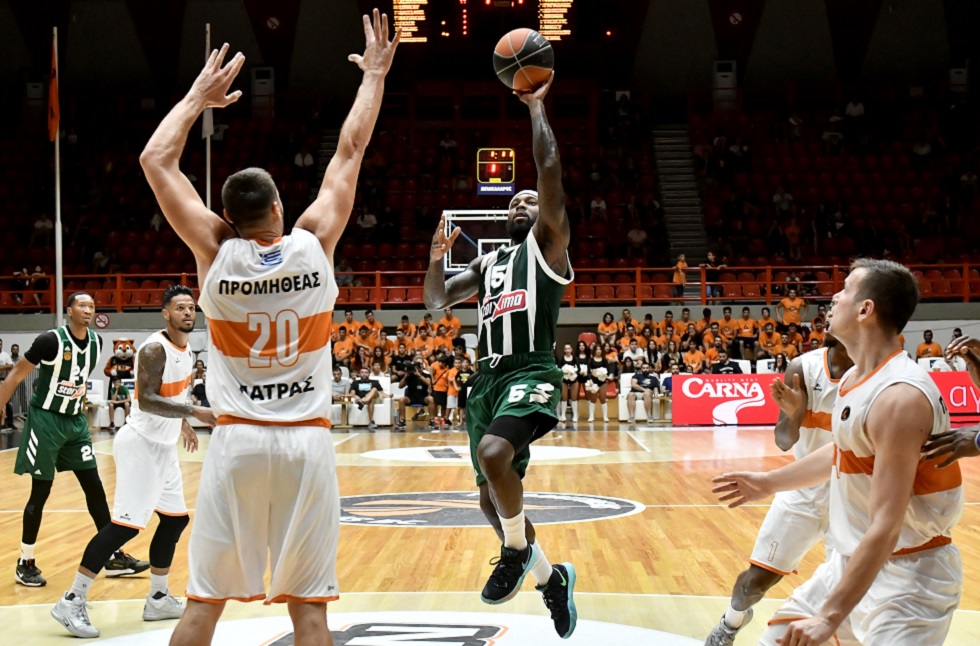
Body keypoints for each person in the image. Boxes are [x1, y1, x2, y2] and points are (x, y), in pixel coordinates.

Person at [139, 13, 398, 645]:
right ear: (280, 207)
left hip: (237, 442)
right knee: (310, 613)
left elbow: (155, 159)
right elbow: (350, 150)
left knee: (203, 606)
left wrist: (197, 98)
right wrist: (374, 75)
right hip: (306, 443)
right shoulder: (314, 242)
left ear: (226, 218)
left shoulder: (214, 251)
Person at [714, 259, 964, 645]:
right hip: (851, 564)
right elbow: (841, 449)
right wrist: (768, 483)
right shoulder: (855, 378)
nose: (833, 297)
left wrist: (828, 616)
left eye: (845, 289)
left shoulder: (900, 397)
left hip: (908, 578)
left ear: (865, 310)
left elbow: (886, 525)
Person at [422, 70, 576, 639]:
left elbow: (549, 170)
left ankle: (514, 553)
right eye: (513, 202)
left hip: (530, 369)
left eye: (529, 201)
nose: (521, 204)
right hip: (486, 382)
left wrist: (535, 108)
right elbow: (435, 302)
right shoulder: (487, 265)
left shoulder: (550, 249)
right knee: (491, 501)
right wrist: (434, 258)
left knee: (493, 455)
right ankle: (551, 579)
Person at [51, 286, 216, 638]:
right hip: (141, 445)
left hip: (164, 446)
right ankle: (71, 600)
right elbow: (148, 400)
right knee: (124, 527)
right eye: (180, 308)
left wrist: (183, 423)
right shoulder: (155, 349)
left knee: (175, 520)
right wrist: (195, 412)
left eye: (191, 307)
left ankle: (157, 598)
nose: (188, 312)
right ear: (165, 314)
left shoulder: (187, 348)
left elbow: (173, 393)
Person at [705, 333, 853, 644]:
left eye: (836, 309)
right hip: (802, 489)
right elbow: (784, 441)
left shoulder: (876, 373)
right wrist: (796, 415)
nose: (830, 314)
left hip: (852, 497)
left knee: (847, 590)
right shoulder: (803, 368)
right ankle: (730, 623)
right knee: (754, 584)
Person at [0, 292, 147, 588]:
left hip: (75, 423)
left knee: (94, 488)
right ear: (69, 311)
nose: (88, 310)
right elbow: (15, 374)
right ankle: (25, 562)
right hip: (46, 421)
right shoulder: (50, 341)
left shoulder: (96, 342)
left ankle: (112, 556)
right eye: (82, 305)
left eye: (92, 306)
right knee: (41, 491)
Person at [395, 355, 435, 430]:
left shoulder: (426, 375)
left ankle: (432, 420)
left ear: (423, 365)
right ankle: (402, 420)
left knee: (431, 399)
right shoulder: (410, 375)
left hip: (423, 397)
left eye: (420, 364)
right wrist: (406, 376)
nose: (419, 366)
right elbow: (400, 386)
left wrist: (419, 375)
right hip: (411, 398)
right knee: (401, 399)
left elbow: (428, 383)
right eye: (417, 364)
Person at [557, 344, 579, 423]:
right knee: (564, 398)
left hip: (573, 380)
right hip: (565, 380)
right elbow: (559, 369)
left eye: (569, 348)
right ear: (564, 350)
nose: (567, 350)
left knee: (574, 398)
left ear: (571, 349)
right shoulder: (562, 358)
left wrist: (573, 373)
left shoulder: (575, 358)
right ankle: (563, 415)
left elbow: (578, 369)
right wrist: (565, 372)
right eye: (566, 349)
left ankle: (575, 415)